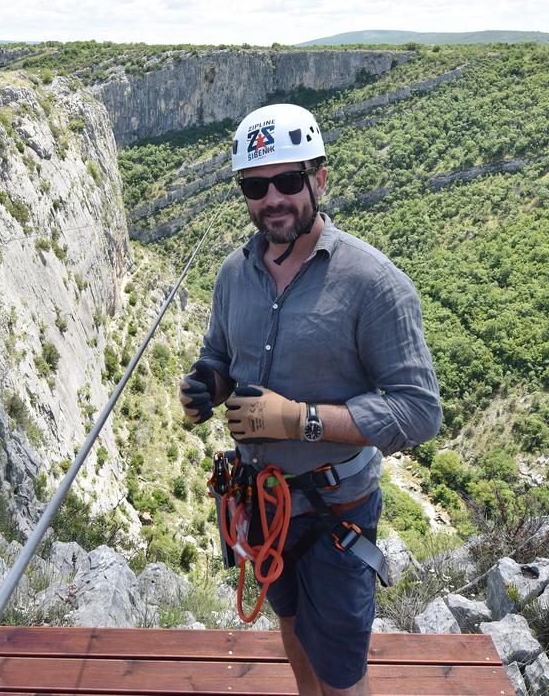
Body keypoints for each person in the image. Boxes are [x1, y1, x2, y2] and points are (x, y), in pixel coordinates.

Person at [179, 102, 442, 696]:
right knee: (291, 625)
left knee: (343, 670)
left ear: (319, 180)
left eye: (289, 181)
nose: (273, 198)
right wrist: (209, 386)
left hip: (336, 512)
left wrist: (301, 421)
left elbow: (420, 410)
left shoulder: (373, 284)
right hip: (264, 505)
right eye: (256, 185)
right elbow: (219, 356)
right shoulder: (232, 276)